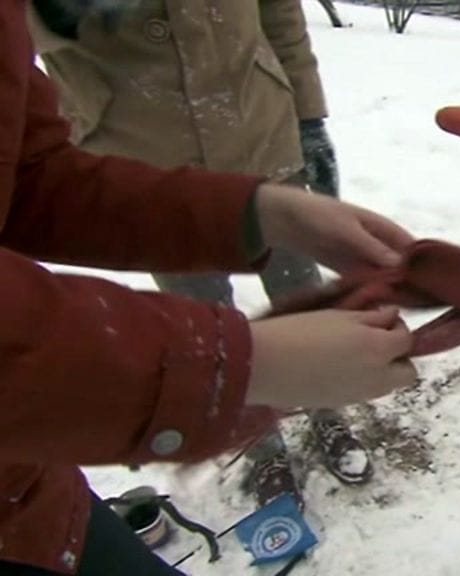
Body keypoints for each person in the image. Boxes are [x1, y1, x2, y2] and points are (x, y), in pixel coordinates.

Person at [0, 1, 417, 574]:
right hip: (140, 144)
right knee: (197, 310)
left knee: (304, 294)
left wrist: (261, 212)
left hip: (255, 140)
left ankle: (327, 416)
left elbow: (31, 171)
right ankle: (260, 446)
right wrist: (239, 365)